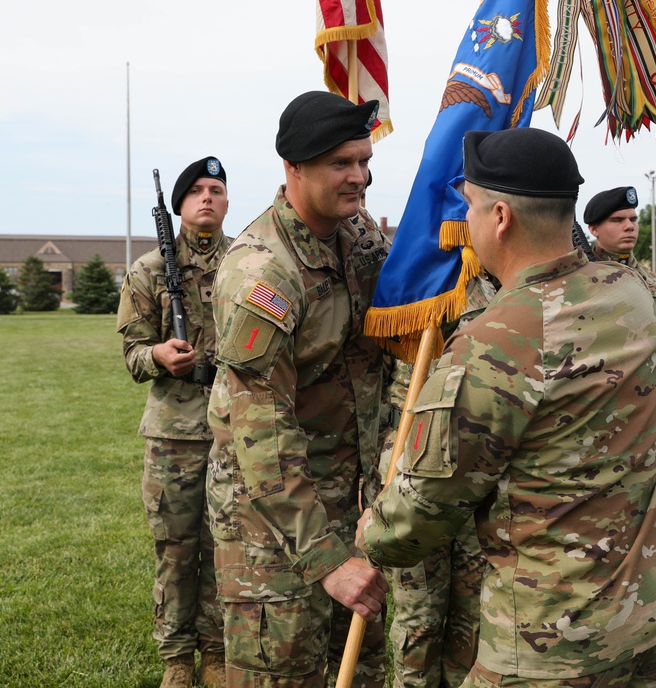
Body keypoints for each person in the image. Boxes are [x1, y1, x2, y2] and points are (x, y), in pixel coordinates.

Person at [359, 127, 656, 687]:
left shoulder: (495, 341)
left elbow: (421, 514)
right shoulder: (629, 291)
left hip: (558, 642)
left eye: (471, 208)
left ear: (500, 217)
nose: (468, 223)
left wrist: (371, 532)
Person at [207, 92, 390, 687]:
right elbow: (261, 438)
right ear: (293, 168)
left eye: (364, 161)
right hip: (274, 525)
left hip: (349, 502)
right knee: (281, 673)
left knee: (357, 668)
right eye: (341, 163)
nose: (359, 177)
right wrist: (327, 560)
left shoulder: (354, 235)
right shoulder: (261, 275)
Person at [116, 156, 231, 688]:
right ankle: (177, 657)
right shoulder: (148, 271)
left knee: (224, 547)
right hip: (174, 436)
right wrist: (159, 355)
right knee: (177, 549)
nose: (207, 197)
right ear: (180, 204)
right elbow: (132, 356)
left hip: (234, 431)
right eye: (197, 191)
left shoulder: (245, 264)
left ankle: (216, 650)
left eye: (217, 189)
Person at [379, 275, 495, 688]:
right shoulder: (421, 275)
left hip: (478, 471)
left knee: (472, 612)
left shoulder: (505, 283)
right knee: (421, 616)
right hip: (413, 467)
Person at [583, 185, 656, 451]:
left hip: (643, 416)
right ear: (594, 229)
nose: (629, 226)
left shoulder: (654, 284)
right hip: (586, 417)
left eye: (633, 219)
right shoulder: (575, 280)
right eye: (617, 220)